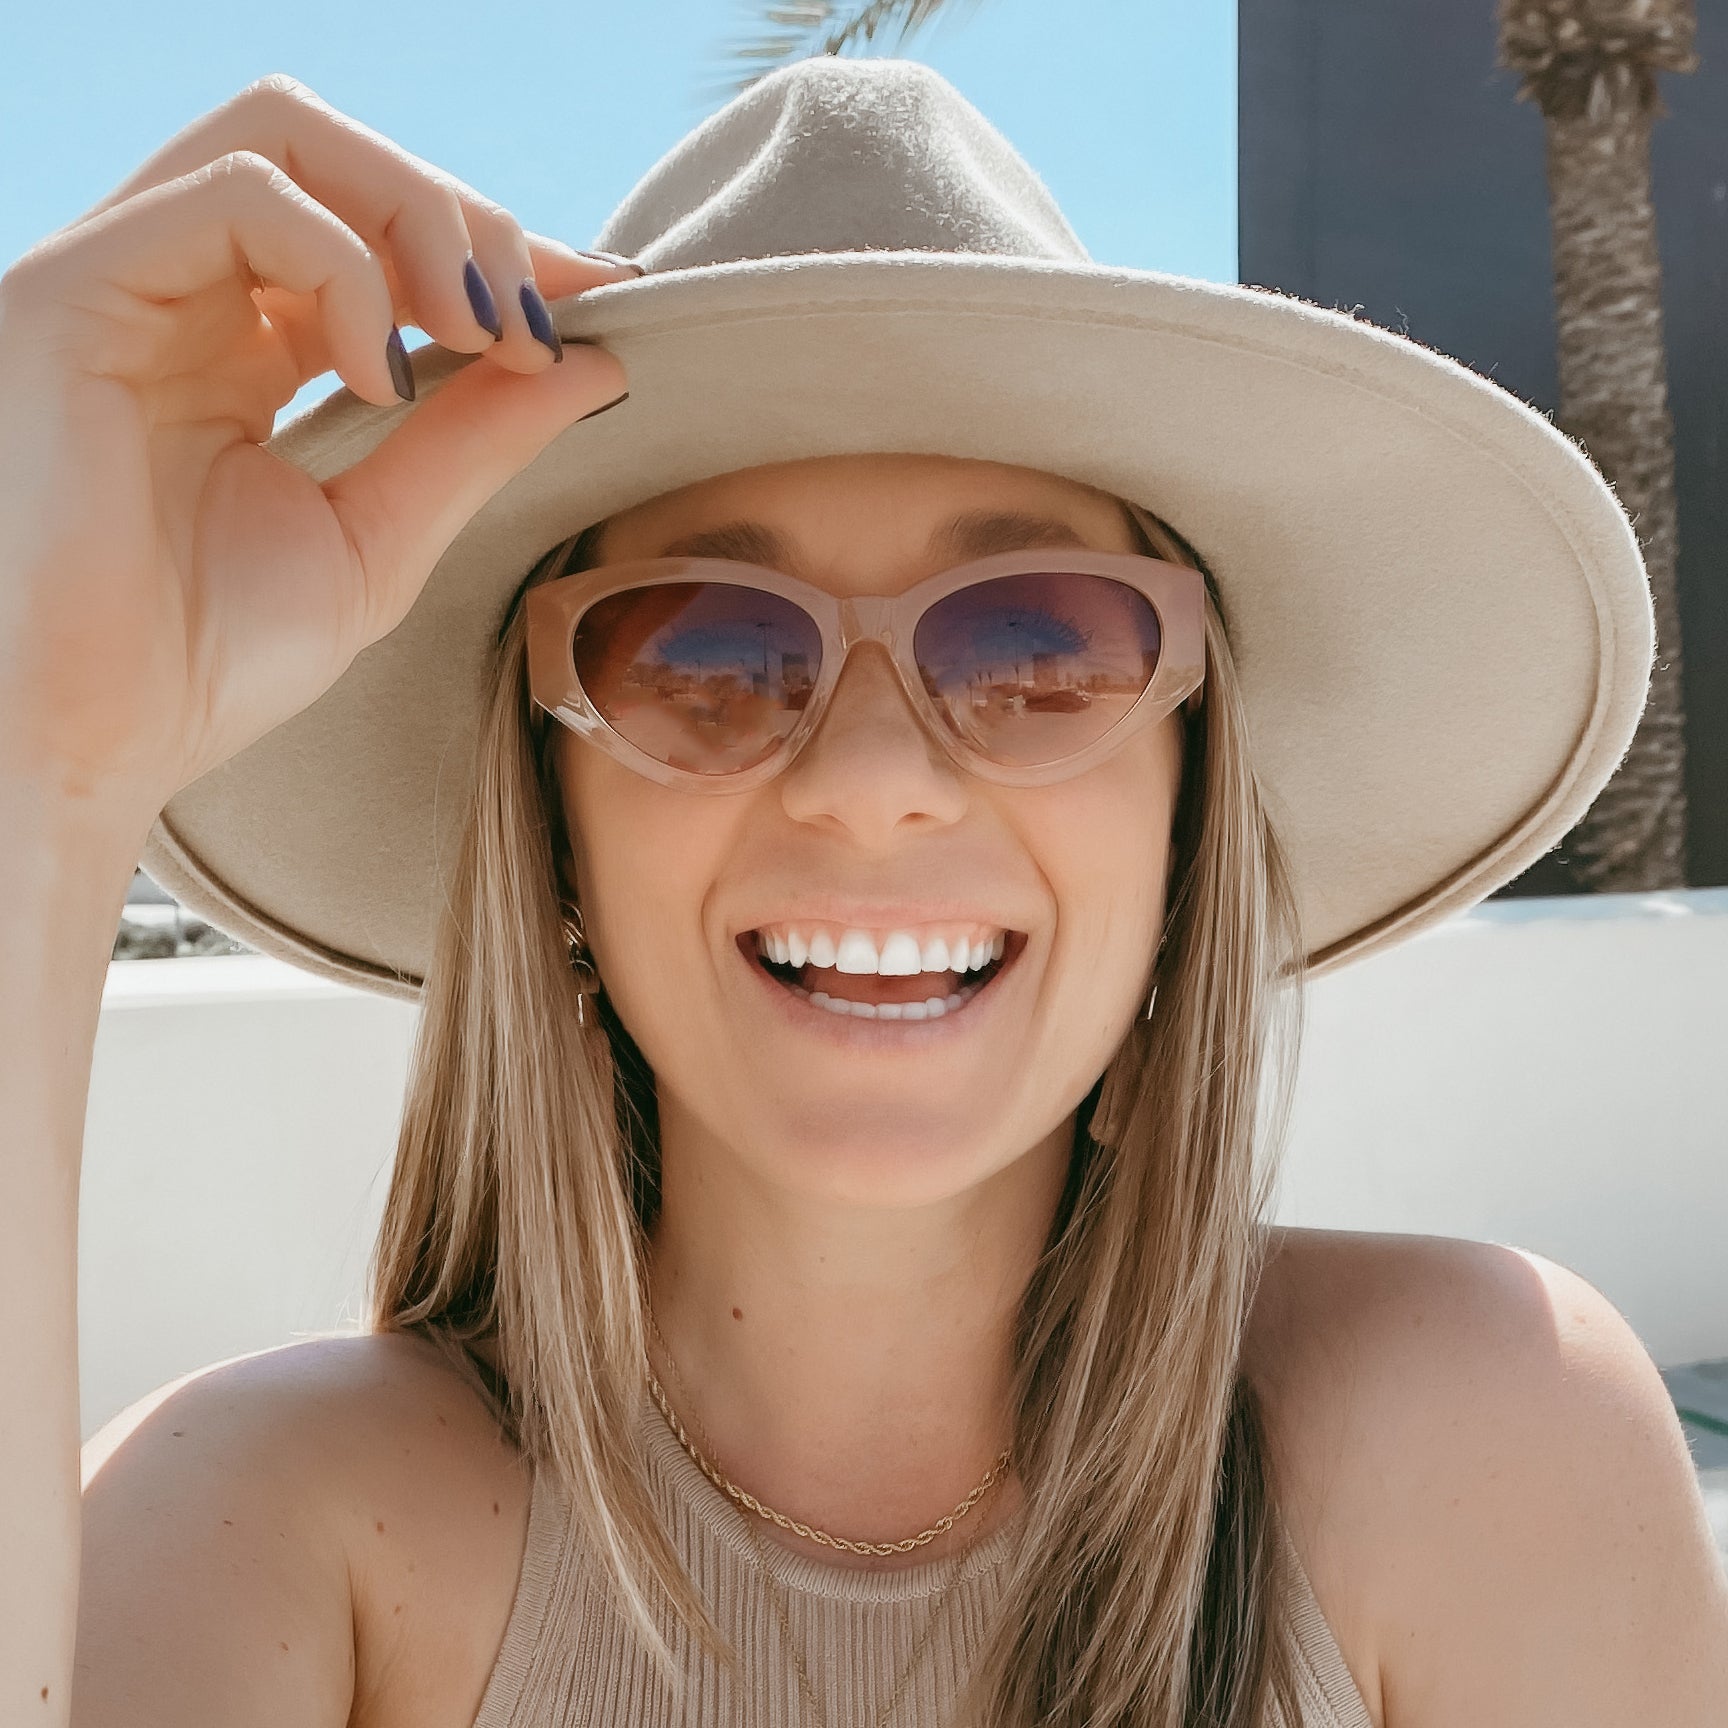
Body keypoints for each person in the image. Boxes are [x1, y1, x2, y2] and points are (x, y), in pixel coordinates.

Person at [1, 55, 1724, 1728]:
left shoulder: (1496, 1441)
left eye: (1039, 648)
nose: (873, 779)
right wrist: (41, 775)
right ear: (559, 834)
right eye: (704, 655)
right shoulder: (244, 1527)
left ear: (1187, 812)